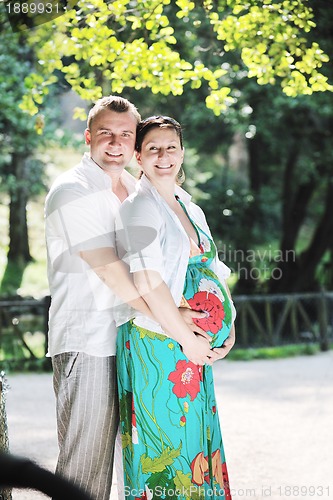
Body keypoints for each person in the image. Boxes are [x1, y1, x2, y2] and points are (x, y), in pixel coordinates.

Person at [45, 97, 216, 500]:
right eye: (106, 133)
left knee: (148, 459)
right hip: (90, 342)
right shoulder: (73, 190)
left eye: (126, 134)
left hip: (137, 340)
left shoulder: (139, 190)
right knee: (85, 468)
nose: (116, 142)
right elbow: (111, 273)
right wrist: (175, 322)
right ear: (88, 137)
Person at [115, 116, 236, 499]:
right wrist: (188, 339)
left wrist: (229, 327)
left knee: (196, 443)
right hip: (160, 344)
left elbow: (212, 271)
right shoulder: (139, 208)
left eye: (171, 147)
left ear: (182, 153)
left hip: (192, 348)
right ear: (138, 156)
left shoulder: (190, 206)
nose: (163, 155)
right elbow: (149, 281)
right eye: (153, 148)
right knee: (165, 453)